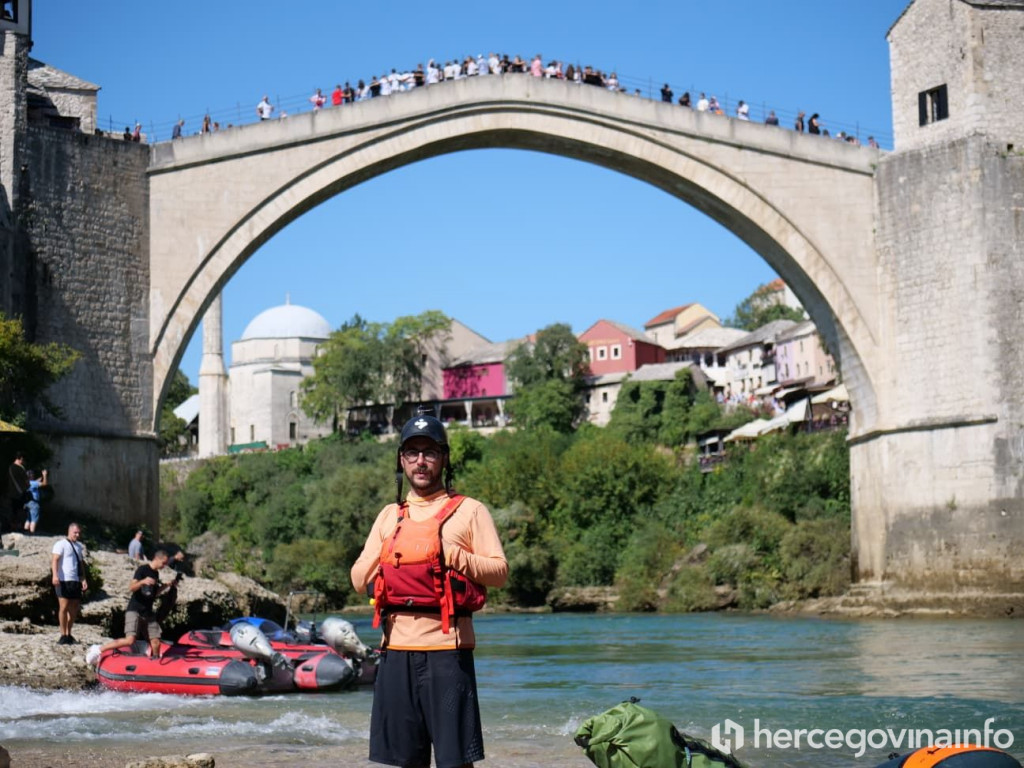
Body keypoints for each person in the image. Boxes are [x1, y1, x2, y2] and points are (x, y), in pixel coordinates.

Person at [351, 410, 508, 768]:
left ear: (443, 459)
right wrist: (387, 555)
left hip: (447, 653)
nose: (420, 461)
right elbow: (358, 579)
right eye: (412, 452)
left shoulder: (470, 511)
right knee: (405, 762)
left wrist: (450, 554)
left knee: (455, 763)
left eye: (430, 452)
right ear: (402, 460)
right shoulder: (389, 516)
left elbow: (499, 572)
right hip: (395, 653)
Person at [90, 550, 177, 662]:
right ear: (157, 559)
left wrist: (167, 586)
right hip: (135, 609)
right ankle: (99, 649)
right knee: (130, 640)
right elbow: (131, 587)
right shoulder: (142, 570)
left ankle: (155, 662)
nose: (164, 566)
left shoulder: (156, 574)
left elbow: (153, 594)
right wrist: (142, 582)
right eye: (163, 563)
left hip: (148, 612)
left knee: (155, 641)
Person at [51, 522, 88, 645]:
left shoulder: (78, 546)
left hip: (75, 580)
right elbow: (55, 560)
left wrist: (83, 578)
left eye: (78, 533)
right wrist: (55, 575)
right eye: (75, 532)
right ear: (69, 531)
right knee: (64, 607)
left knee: (74, 609)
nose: (77, 535)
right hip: (63, 579)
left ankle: (69, 633)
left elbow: (80, 564)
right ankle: (63, 634)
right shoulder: (60, 544)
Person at [6, 452, 28, 534]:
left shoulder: (10, 467)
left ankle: (12, 526)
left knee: (12, 510)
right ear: (21, 458)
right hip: (20, 493)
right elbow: (26, 481)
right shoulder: (21, 468)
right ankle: (18, 526)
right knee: (20, 510)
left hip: (11, 493)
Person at [22, 468, 47, 534]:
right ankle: (32, 533)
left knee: (28, 518)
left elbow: (33, 484)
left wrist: (37, 480)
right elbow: (44, 484)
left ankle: (26, 532)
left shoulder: (26, 483)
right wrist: (44, 475)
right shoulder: (34, 483)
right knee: (34, 519)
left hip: (27, 503)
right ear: (31, 476)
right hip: (34, 503)